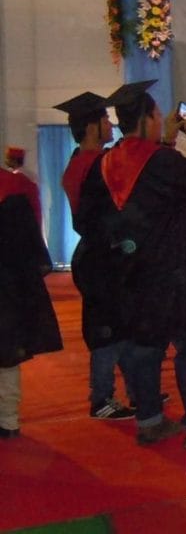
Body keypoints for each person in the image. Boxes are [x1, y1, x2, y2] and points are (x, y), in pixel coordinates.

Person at [81, 79, 186, 445]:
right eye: (158, 116)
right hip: (175, 272)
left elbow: (85, 220)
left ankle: (149, 419)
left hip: (130, 272)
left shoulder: (103, 165)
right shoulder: (162, 162)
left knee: (143, 346)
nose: (162, 121)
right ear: (146, 119)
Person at [56, 91, 135, 421]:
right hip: (104, 255)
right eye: (105, 120)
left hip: (91, 254)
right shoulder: (98, 165)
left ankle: (136, 390)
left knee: (117, 325)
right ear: (91, 127)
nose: (111, 125)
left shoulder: (75, 163)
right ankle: (101, 397)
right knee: (108, 328)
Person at [0, 168, 63, 439]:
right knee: (7, 356)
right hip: (8, 287)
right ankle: (8, 419)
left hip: (8, 285)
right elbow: (32, 249)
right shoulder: (15, 187)